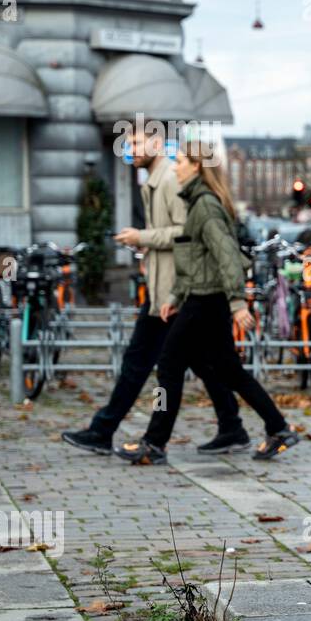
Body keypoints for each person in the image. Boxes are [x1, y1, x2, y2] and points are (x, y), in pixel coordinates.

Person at [62, 128, 248, 456]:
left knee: (148, 362)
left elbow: (187, 233)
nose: (130, 149)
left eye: (136, 143)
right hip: (166, 287)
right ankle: (232, 425)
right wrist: (148, 253)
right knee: (202, 362)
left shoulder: (170, 180)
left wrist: (143, 239)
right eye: (128, 143)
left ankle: (113, 431)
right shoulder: (154, 180)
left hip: (174, 291)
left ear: (157, 144)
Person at [115, 140, 298, 465]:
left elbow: (226, 255)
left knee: (169, 366)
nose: (175, 166)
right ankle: (279, 427)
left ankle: (154, 442)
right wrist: (173, 297)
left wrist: (238, 303)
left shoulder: (205, 206)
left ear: (197, 167)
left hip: (206, 301)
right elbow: (193, 258)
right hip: (200, 297)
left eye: (182, 160)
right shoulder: (196, 202)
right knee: (228, 370)